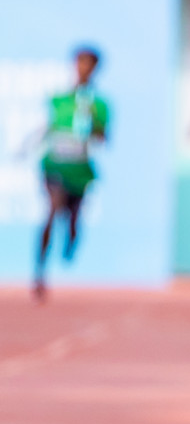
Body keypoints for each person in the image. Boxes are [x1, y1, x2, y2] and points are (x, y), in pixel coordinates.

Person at [33, 46, 110, 303]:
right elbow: (47, 127)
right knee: (53, 211)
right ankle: (39, 275)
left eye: (89, 64)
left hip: (80, 171)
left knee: (73, 219)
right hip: (55, 166)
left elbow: (103, 138)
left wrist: (94, 122)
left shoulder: (99, 104)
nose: (83, 69)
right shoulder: (59, 99)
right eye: (80, 63)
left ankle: (71, 240)